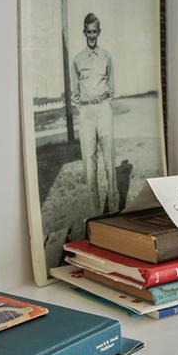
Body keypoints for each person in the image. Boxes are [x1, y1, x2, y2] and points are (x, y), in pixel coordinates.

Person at [71, 12, 118, 217]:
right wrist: (84, 110)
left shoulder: (106, 56)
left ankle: (115, 212)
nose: (91, 36)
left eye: (94, 32)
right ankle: (95, 214)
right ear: (84, 32)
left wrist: (105, 106)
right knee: (89, 166)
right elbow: (74, 93)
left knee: (109, 160)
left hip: (103, 110)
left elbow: (112, 86)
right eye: (88, 32)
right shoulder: (77, 59)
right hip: (87, 113)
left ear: (99, 32)